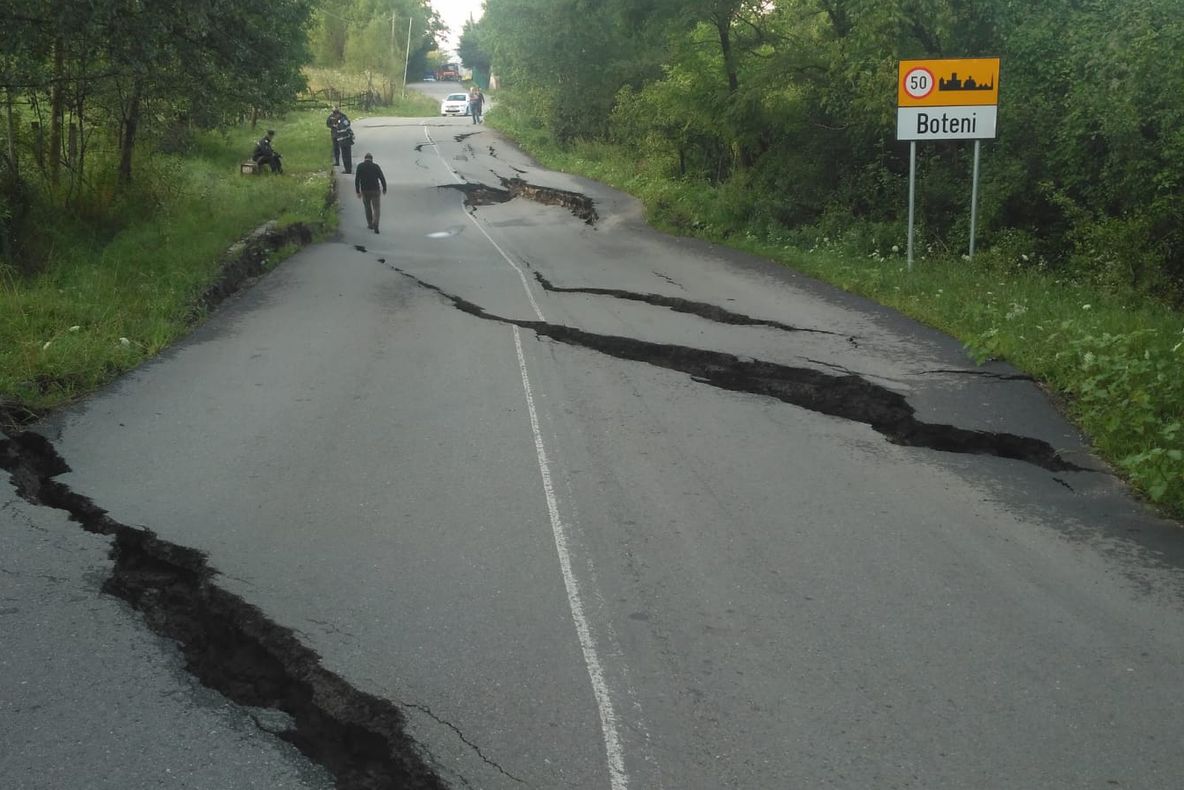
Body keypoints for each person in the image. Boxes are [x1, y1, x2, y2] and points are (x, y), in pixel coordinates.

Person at [354, 153, 387, 234]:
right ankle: (376, 223)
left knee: (367, 207)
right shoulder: (376, 166)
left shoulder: (360, 166)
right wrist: (384, 188)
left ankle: (370, 224)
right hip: (375, 190)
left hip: (365, 191)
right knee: (376, 208)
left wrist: (358, 191)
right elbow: (382, 177)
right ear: (372, 159)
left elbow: (357, 179)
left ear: (364, 159)